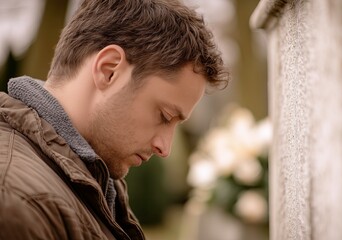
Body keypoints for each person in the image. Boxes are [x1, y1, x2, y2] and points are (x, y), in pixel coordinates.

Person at [0, 0, 228, 239]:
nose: (164, 148)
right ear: (109, 70)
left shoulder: (93, 179)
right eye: (164, 116)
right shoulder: (17, 202)